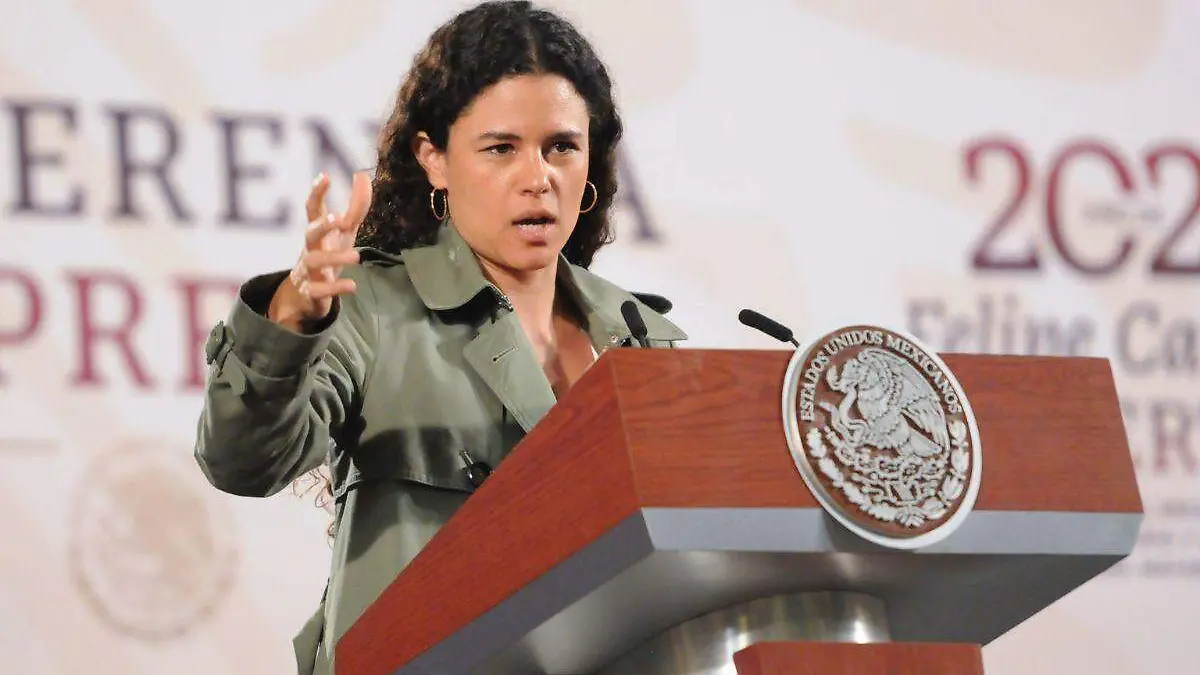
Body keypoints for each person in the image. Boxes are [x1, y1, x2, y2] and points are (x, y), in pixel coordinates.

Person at [192, 2, 687, 673]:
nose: (538, 177)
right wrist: (292, 322)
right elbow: (243, 461)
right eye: (501, 148)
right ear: (435, 160)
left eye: (562, 147)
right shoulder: (373, 308)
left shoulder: (642, 336)